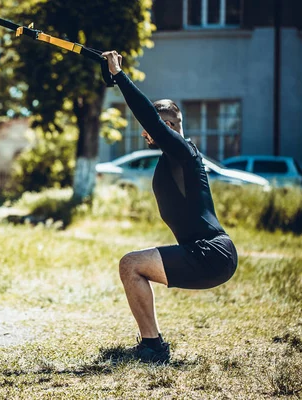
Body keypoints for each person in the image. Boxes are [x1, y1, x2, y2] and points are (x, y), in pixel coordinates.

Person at [101, 51, 238, 363]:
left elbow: (150, 118)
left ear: (178, 126)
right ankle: (152, 344)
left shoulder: (184, 151)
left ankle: (153, 348)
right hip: (204, 255)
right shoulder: (167, 159)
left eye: (170, 124)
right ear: (146, 133)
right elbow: (149, 121)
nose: (163, 128)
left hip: (212, 253)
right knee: (132, 266)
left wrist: (119, 75)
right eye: (157, 125)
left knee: (130, 264)